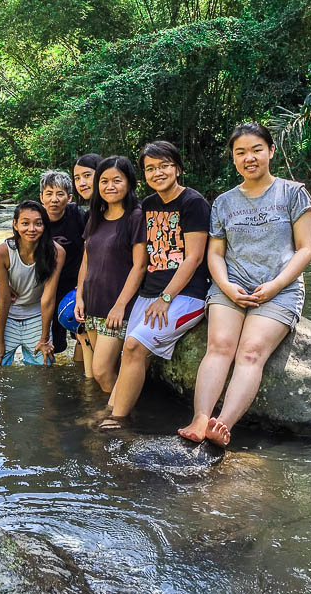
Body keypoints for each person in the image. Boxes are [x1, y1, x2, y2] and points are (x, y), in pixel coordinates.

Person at [177, 122, 311, 447]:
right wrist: (225, 286)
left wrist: (275, 285)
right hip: (233, 285)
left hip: (280, 288)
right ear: (233, 158)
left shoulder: (293, 193)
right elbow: (214, 253)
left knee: (251, 352)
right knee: (220, 346)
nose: (249, 158)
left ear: (270, 151)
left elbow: (306, 249)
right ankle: (200, 418)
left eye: (256, 150)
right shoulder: (224, 202)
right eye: (240, 152)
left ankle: (222, 424)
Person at [100, 141, 210, 430]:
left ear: (177, 168)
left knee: (135, 346)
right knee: (129, 352)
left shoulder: (193, 202)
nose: (157, 172)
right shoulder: (147, 205)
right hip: (149, 292)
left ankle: (117, 421)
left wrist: (166, 297)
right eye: (150, 168)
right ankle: (111, 408)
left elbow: (194, 256)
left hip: (185, 295)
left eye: (164, 166)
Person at [74, 156, 147, 395]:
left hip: (118, 307)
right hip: (93, 303)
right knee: (106, 370)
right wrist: (79, 298)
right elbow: (86, 260)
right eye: (104, 181)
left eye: (117, 180)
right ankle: (113, 418)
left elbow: (140, 266)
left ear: (129, 183)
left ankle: (120, 417)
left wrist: (120, 306)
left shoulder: (136, 217)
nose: (110, 186)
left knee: (101, 371)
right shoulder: (96, 216)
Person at [0, 200, 64, 366]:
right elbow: (4, 298)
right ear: (15, 225)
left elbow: (48, 298)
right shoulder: (3, 252)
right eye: (25, 223)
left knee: (43, 368)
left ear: (45, 225)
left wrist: (45, 338)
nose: (31, 229)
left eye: (38, 224)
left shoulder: (57, 253)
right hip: (3, 312)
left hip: (35, 313)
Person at [40, 170, 86, 355]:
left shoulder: (77, 215)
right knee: (55, 344)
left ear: (69, 197)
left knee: (81, 334)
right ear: (41, 197)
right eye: (49, 194)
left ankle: (82, 373)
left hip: (75, 285)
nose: (54, 199)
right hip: (48, 285)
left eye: (60, 194)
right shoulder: (36, 220)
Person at [71, 153, 102, 375]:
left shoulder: (124, 211)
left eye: (87, 176)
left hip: (114, 298)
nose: (81, 183)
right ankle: (89, 399)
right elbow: (86, 257)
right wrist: (80, 293)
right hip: (92, 293)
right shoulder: (91, 214)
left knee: (101, 370)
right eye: (77, 178)